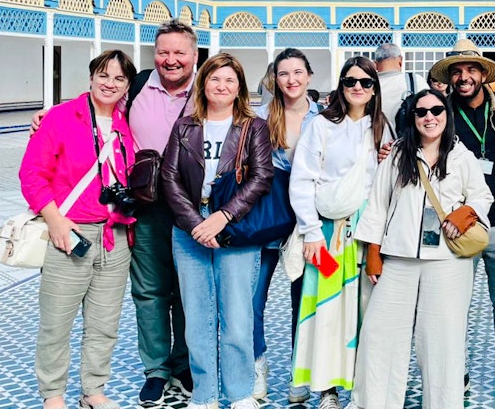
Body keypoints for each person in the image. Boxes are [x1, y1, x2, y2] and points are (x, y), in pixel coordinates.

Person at [31, 20, 197, 404]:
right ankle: (156, 370)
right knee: (149, 292)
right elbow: (97, 101)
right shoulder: (138, 85)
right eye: (163, 52)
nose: (170, 60)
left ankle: (184, 365)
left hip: (190, 208)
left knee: (188, 293)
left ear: (193, 55)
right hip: (146, 208)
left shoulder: (206, 88)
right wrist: (50, 114)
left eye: (179, 53)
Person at [351, 89, 494, 408]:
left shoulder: (461, 156)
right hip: (399, 260)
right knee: (378, 336)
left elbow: (483, 197)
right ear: (412, 118)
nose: (430, 117)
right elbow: (377, 204)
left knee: (442, 342)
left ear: (447, 114)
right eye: (422, 112)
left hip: (446, 262)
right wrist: (373, 253)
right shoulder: (398, 154)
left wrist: (465, 213)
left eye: (437, 110)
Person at [21, 50, 138, 409]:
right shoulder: (59, 118)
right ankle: (53, 394)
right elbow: (32, 175)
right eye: (104, 75)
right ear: (91, 77)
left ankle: (93, 391)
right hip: (70, 235)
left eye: (119, 79)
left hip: (115, 237)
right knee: (57, 323)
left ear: (128, 85)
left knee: (104, 323)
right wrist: (55, 221)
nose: (110, 84)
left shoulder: (125, 123)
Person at [161, 52, 275, 409]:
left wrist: (223, 217)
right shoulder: (186, 126)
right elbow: (170, 179)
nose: (221, 86)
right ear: (203, 83)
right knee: (197, 317)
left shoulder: (252, 126)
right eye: (214, 79)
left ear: (239, 86)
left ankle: (239, 392)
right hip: (190, 227)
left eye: (229, 80)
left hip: (235, 227)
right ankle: (205, 394)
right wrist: (197, 224)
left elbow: (261, 177)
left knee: (238, 315)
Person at [429, 39, 495, 401]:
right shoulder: (442, 112)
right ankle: (457, 370)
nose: (464, 77)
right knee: (455, 302)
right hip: (461, 224)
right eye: (456, 71)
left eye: (471, 69)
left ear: (483, 74)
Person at [288, 57, 389, 409]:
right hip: (328, 233)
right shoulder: (321, 126)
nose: (358, 87)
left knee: (366, 309)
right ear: (340, 87)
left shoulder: (382, 128)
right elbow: (302, 179)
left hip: (367, 232)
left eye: (365, 82)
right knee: (327, 309)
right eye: (350, 81)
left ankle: (362, 386)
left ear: (375, 87)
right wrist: (311, 231)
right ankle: (327, 388)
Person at [254, 48, 322, 403]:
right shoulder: (259, 117)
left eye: (298, 72)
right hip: (268, 213)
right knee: (254, 297)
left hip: (310, 219)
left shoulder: (326, 118)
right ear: (275, 79)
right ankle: (257, 365)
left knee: (307, 297)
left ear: (309, 76)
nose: (292, 79)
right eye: (284, 74)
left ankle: (302, 369)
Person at [373, 43, 427, 129]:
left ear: (375, 64)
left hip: (375, 139)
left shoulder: (367, 86)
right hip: (409, 140)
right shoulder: (415, 81)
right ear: (400, 60)